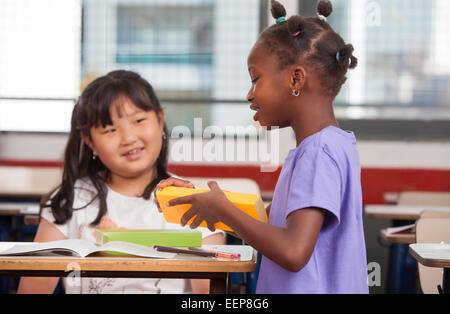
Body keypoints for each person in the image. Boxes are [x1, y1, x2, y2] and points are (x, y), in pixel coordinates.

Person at [158, 0, 368, 294]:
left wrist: (225, 211)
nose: (249, 94)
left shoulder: (319, 151)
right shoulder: (330, 145)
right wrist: (205, 201)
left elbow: (293, 251)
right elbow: (271, 223)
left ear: (296, 79)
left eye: (256, 79)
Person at [18, 70, 223, 294]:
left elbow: (208, 293)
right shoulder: (71, 201)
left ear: (160, 119)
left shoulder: (193, 202)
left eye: (138, 120)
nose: (128, 138)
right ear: (90, 142)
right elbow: (33, 288)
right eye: (110, 130)